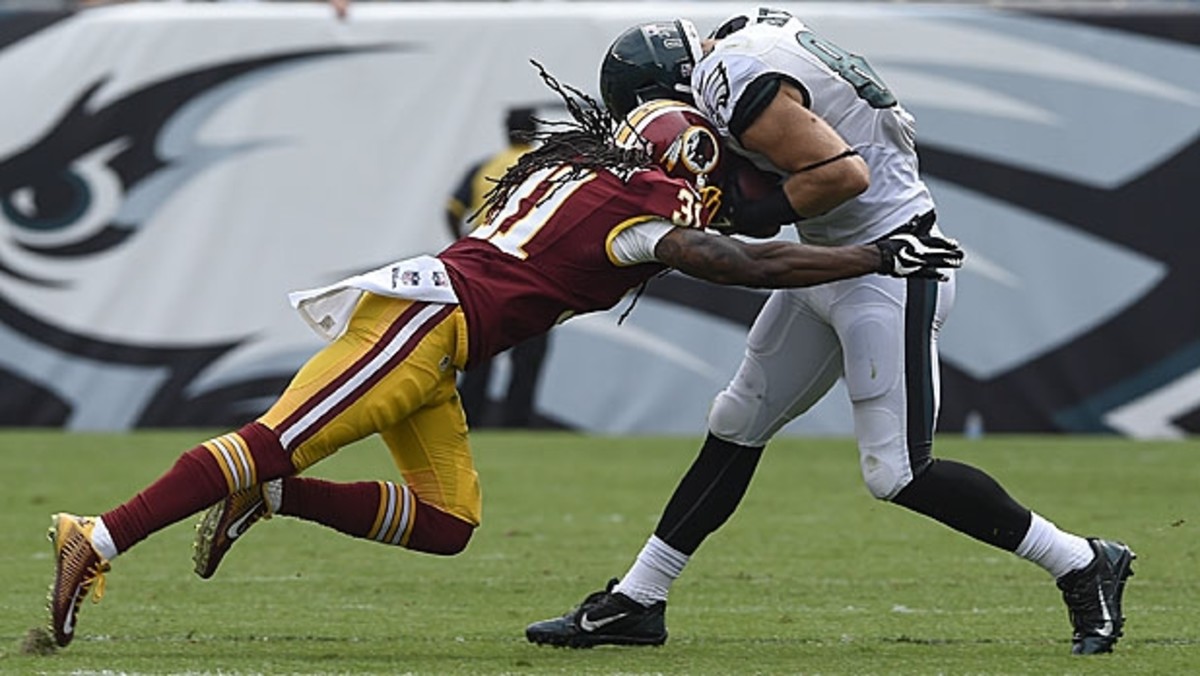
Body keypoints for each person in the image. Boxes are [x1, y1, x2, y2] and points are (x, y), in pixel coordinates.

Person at [43, 64, 961, 650]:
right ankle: (102, 533)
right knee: (271, 437)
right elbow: (731, 259)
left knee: (447, 522)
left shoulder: (579, 168)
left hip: (439, 336)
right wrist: (877, 255)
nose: (729, 186)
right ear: (688, 157)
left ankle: (271, 499)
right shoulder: (640, 208)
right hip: (420, 326)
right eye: (717, 169)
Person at [526, 12, 1134, 656]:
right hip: (829, 256)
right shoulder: (745, 40)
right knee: (737, 421)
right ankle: (638, 601)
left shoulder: (731, 75)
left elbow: (842, 176)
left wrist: (740, 211)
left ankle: (1081, 561)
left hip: (889, 264)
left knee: (897, 471)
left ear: (677, 85)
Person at [445, 107, 551, 428]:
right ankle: (517, 421)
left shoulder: (484, 167)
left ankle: (470, 420)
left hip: (487, 268)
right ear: (535, 130)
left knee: (481, 349)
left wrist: (463, 243)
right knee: (529, 353)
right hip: (533, 269)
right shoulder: (546, 168)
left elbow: (451, 210)